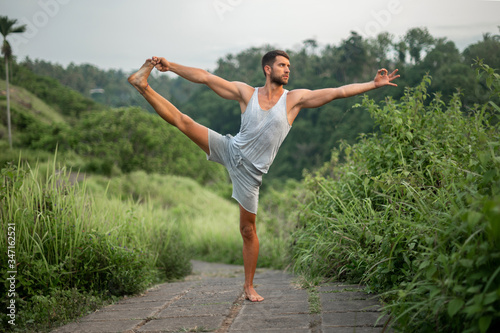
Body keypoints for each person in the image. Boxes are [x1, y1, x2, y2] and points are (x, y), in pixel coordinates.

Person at [128, 50, 399, 302]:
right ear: (267, 69)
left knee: (247, 230)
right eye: (282, 65)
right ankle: (142, 85)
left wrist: (372, 85)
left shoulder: (294, 100)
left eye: (289, 66)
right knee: (183, 121)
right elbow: (207, 78)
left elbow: (338, 91)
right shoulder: (247, 93)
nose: (287, 70)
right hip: (231, 149)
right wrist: (171, 66)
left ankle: (248, 286)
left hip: (251, 175)